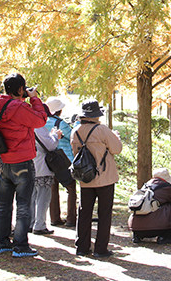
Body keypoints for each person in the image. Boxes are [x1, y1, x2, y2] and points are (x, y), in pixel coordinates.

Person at [0, 73, 47, 258]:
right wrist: (34, 98)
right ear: (21, 89)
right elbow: (40, 120)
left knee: (4, 205)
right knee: (23, 205)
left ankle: (1, 242)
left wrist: (25, 97)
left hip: (6, 160)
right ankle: (21, 245)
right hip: (22, 160)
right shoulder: (19, 107)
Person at [71, 100, 122, 258]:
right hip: (104, 176)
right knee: (104, 213)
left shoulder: (76, 131)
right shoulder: (102, 130)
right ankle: (101, 248)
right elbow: (117, 149)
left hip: (85, 177)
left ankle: (82, 246)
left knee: (84, 212)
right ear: (96, 115)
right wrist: (115, 137)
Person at [128, 168, 171, 244]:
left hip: (136, 228)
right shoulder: (166, 188)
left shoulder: (145, 186)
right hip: (155, 229)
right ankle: (166, 236)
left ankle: (136, 236)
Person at [30, 104, 62, 235]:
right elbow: (50, 145)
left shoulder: (26, 125)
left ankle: (30, 223)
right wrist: (55, 136)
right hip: (42, 166)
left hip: (29, 165)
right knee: (43, 197)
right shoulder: (39, 127)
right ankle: (40, 225)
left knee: (31, 197)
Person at [45, 97, 77, 228]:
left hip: (48, 160)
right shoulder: (61, 124)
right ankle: (71, 219)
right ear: (59, 110)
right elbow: (73, 137)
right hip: (64, 160)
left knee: (53, 189)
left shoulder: (42, 122)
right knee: (71, 188)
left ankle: (55, 218)